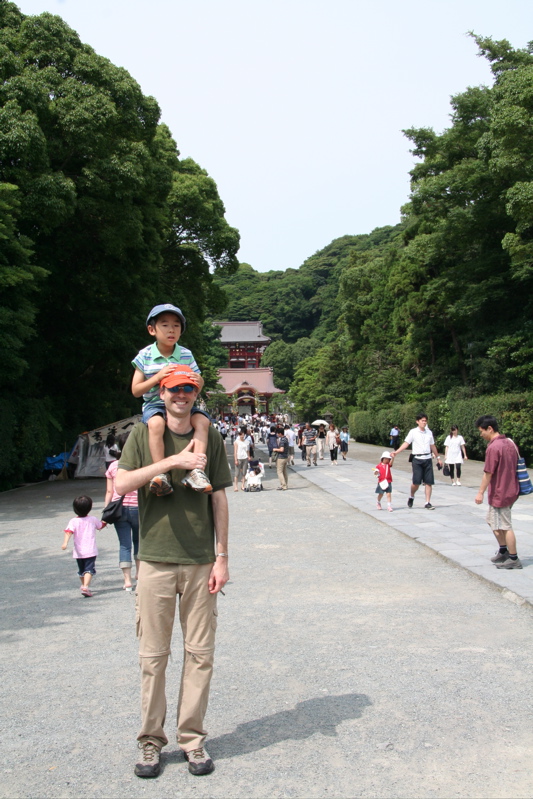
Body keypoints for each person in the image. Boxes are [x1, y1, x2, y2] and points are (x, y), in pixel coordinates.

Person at [115, 364, 232, 778]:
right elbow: (123, 483)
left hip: (201, 563)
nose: (181, 394)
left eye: (188, 388)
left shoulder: (210, 436)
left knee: (200, 655)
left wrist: (222, 556)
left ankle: (192, 740)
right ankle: (150, 742)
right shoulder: (142, 436)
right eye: (173, 388)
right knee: (153, 656)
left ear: (195, 393)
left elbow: (218, 496)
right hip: (156, 561)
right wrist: (172, 463)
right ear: (161, 393)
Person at [131, 304, 211, 496]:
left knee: (203, 421)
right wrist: (158, 378)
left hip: (182, 402)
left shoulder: (185, 354)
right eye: (165, 325)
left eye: (176, 325)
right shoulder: (145, 355)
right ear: (152, 330)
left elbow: (198, 383)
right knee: (156, 424)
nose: (171, 330)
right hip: (155, 404)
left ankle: (196, 470)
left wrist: (199, 381)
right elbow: (135, 390)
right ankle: (161, 472)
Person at [474, 415, 522, 569]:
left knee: (505, 525)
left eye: (482, 431)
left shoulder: (494, 447)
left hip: (500, 491)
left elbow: (488, 473)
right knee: (492, 520)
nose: (481, 434)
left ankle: (513, 557)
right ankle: (503, 550)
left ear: (490, 428)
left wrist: (480, 492)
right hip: (511, 489)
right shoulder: (509, 443)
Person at [391, 413, 442, 510]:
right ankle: (411, 496)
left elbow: (432, 446)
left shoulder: (429, 432)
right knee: (416, 482)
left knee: (429, 482)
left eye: (425, 421)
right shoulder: (413, 432)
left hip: (427, 458)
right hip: (417, 459)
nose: (424, 422)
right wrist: (396, 452)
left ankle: (427, 502)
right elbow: (406, 443)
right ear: (417, 422)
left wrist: (438, 457)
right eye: (422, 421)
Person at [105, 458, 139, 590]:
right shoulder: (139, 463)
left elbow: (109, 491)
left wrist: (106, 512)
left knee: (124, 545)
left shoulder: (113, 466)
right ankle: (139, 576)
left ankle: (127, 581)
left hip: (119, 508)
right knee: (138, 542)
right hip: (138, 507)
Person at [62, 496, 106, 597]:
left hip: (78, 551)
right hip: (90, 550)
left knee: (81, 570)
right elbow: (100, 526)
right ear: (90, 508)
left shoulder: (73, 521)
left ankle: (83, 585)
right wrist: (106, 520)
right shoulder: (93, 519)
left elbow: (68, 532)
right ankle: (85, 586)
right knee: (89, 570)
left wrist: (65, 543)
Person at [233, 427, 251, 491]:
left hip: (245, 458)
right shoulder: (236, 442)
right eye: (241, 435)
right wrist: (235, 459)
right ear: (239, 435)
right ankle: (235, 486)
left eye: (243, 435)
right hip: (239, 458)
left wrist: (249, 456)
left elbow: (247, 450)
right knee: (237, 473)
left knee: (244, 473)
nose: (242, 436)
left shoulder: (246, 442)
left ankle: (242, 485)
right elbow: (235, 451)